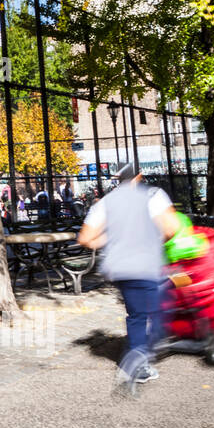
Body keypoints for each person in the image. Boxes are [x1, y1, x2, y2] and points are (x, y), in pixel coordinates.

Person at [76, 162, 182, 396]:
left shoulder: (105, 202)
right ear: (139, 176)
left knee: (136, 315)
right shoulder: (153, 195)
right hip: (145, 263)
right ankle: (139, 358)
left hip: (118, 267)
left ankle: (137, 354)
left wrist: (113, 242)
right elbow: (172, 226)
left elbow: (85, 239)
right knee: (160, 311)